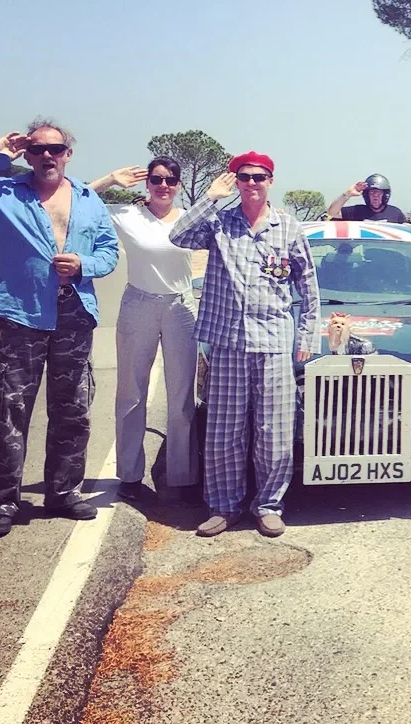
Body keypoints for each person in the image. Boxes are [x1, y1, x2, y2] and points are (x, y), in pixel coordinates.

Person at [0, 120, 119, 538]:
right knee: (8, 410)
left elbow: (108, 251)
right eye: (36, 149)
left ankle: (64, 492)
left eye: (55, 149)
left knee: (72, 409)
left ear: (67, 154)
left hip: (75, 313)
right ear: (26, 154)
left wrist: (84, 266)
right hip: (19, 315)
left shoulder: (90, 200)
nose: (46, 156)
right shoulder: (1, 195)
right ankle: (3, 498)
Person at [169, 151, 320, 539]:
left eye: (259, 177)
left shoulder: (288, 228)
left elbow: (308, 287)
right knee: (224, 431)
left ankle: (269, 505)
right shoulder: (219, 222)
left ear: (271, 180)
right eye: (244, 177)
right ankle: (223, 507)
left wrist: (306, 337)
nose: (251, 183)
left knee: (275, 431)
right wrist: (210, 196)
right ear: (235, 181)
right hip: (228, 340)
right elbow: (178, 235)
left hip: (273, 340)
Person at [88, 159, 200, 504]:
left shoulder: (188, 218)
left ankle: (182, 477)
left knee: (182, 397)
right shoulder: (128, 214)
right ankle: (130, 475)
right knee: (131, 393)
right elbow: (78, 197)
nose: (162, 185)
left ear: (179, 185)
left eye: (170, 180)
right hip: (139, 303)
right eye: (156, 179)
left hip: (181, 306)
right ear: (146, 183)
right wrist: (110, 178)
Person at [326, 174, 406, 223]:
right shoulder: (357, 211)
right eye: (371, 193)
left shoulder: (396, 213)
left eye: (378, 193)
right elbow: (332, 212)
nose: (375, 196)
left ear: (385, 195)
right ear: (366, 195)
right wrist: (348, 194)